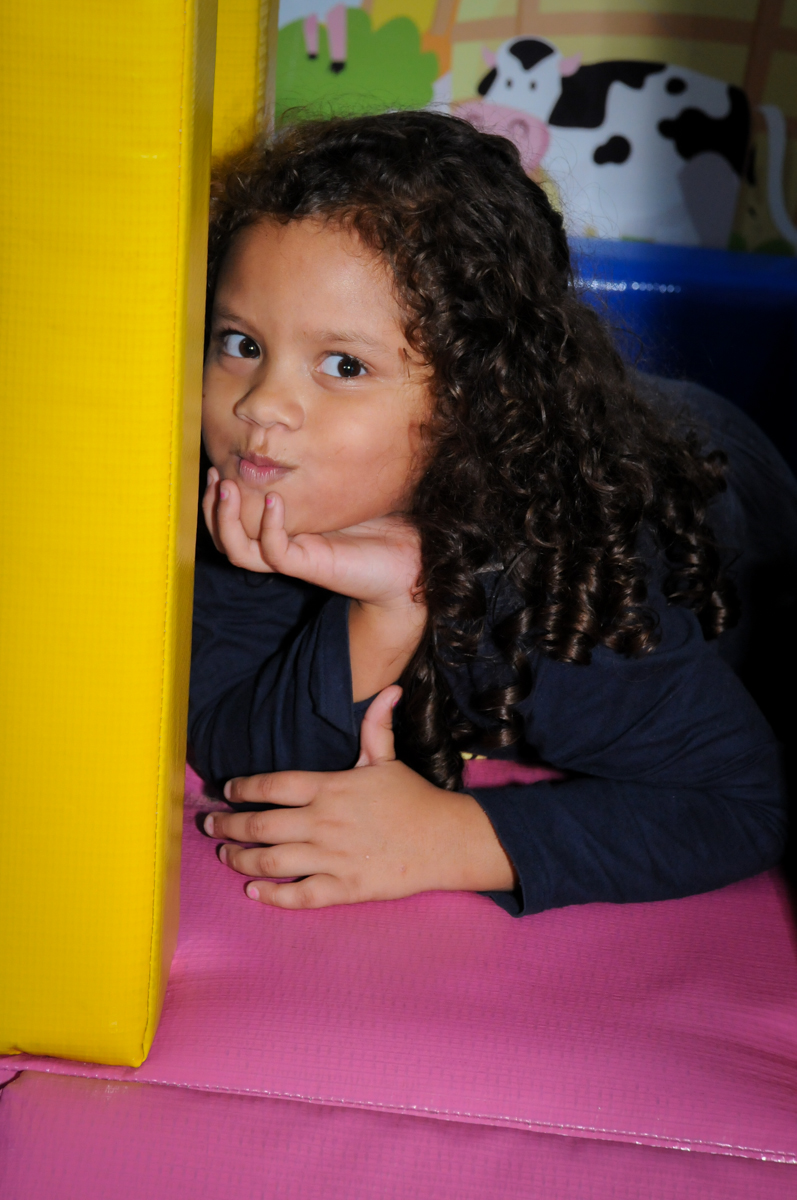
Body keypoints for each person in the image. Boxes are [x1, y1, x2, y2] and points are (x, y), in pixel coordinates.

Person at [189, 111, 793, 916]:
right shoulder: (254, 498)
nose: (262, 404)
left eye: (342, 364)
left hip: (733, 489)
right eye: (240, 343)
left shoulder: (563, 581)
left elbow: (743, 802)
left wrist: (453, 837)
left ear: (468, 401)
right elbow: (244, 750)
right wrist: (388, 604)